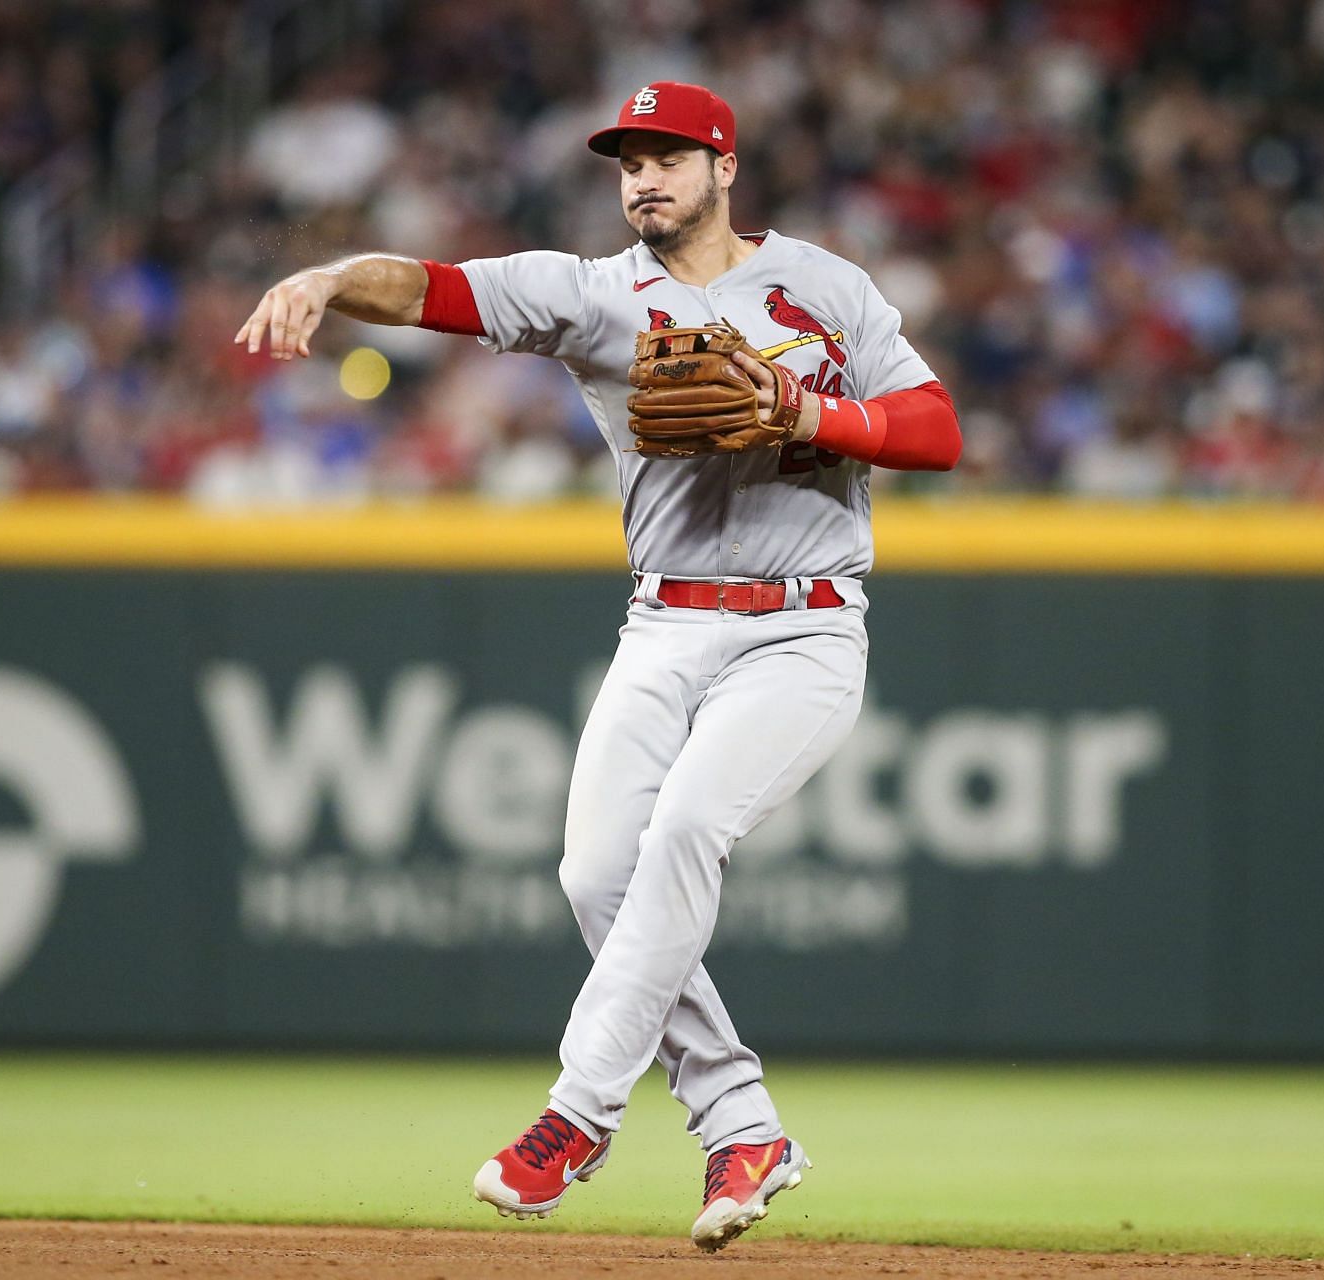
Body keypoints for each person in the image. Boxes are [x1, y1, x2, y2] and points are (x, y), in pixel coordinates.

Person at [234, 81, 960, 1252]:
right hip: (664, 619)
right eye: (628, 162)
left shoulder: (824, 286)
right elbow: (432, 288)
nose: (644, 179)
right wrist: (328, 278)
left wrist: (802, 408)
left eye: (668, 156)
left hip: (804, 623)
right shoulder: (591, 294)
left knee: (683, 834)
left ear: (725, 167)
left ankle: (577, 1112)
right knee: (592, 873)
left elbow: (937, 428)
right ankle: (741, 1121)